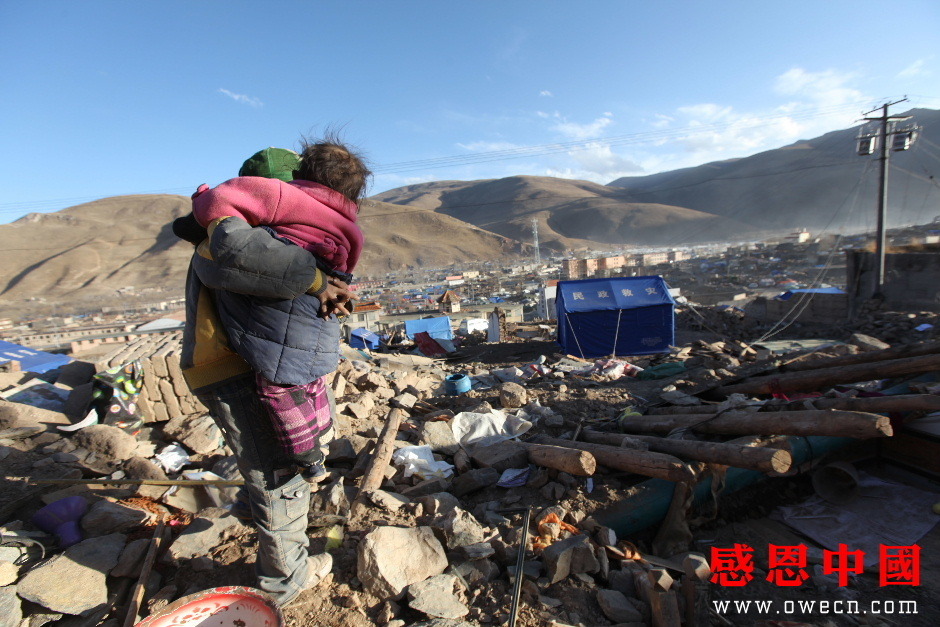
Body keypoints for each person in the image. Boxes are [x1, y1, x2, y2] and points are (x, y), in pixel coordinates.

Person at [177, 137, 369, 606]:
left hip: (242, 362)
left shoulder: (246, 239)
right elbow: (277, 273)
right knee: (278, 476)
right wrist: (319, 280)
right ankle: (285, 582)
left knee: (267, 465)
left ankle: (256, 518)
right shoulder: (233, 244)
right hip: (235, 368)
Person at [190, 142, 368, 484]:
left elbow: (223, 219)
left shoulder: (271, 203)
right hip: (308, 322)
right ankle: (321, 438)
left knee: (278, 388)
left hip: (250, 351)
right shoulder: (345, 218)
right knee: (309, 378)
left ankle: (306, 454)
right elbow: (341, 268)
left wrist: (200, 202)